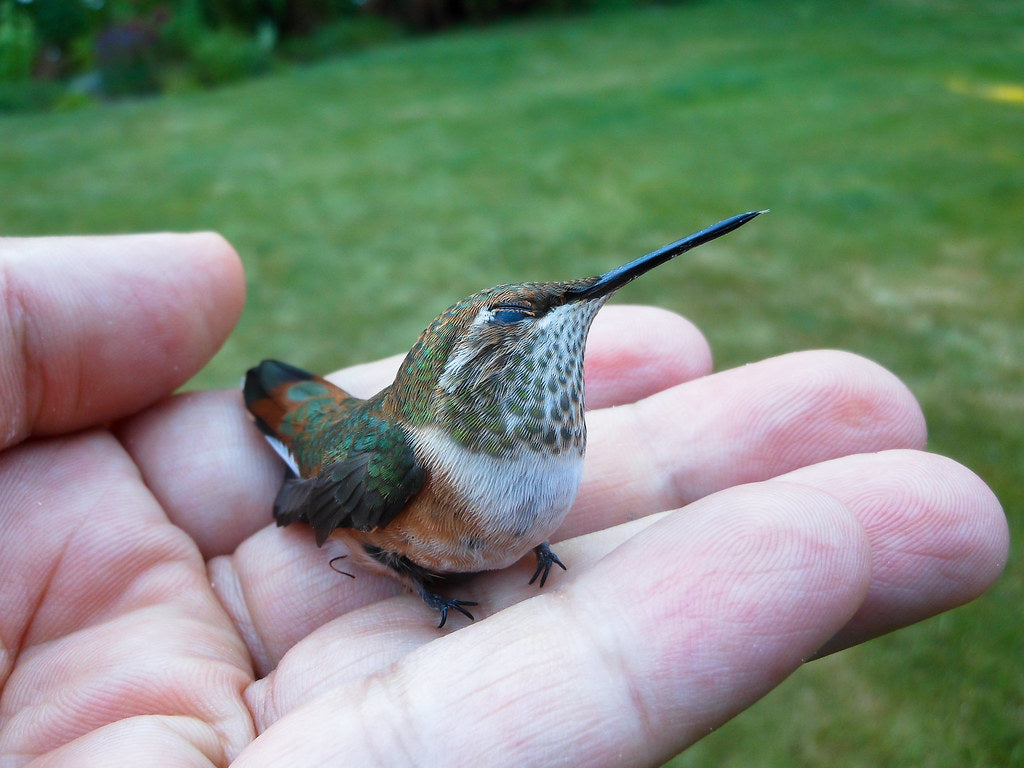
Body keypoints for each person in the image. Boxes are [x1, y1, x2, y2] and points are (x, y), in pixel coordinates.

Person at [0, 233, 1008, 766]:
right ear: (478, 366)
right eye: (524, 321)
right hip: (375, 466)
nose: (570, 312)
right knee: (337, 452)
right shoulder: (402, 459)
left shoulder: (552, 429)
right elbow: (324, 505)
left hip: (472, 480)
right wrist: (419, 577)